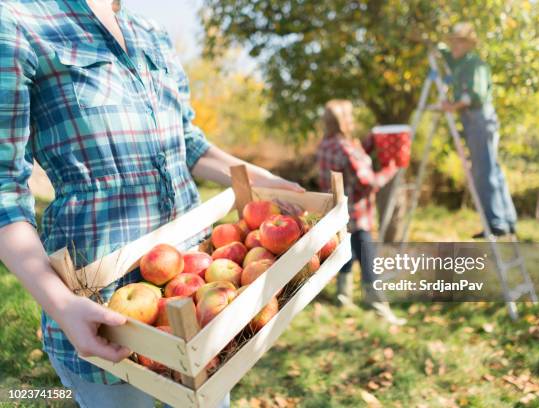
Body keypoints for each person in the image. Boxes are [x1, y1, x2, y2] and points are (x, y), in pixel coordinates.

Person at [0, 1, 302, 407]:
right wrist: (61, 305)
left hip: (199, 294)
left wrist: (268, 182)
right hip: (103, 315)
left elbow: (189, 144)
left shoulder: (150, 33)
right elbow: (4, 186)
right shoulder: (19, 23)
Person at [316, 100, 407, 326]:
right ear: (344, 122)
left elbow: (348, 162)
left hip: (336, 213)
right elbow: (367, 181)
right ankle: (379, 307)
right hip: (357, 213)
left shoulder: (325, 145)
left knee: (346, 251)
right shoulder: (346, 148)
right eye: (350, 117)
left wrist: (367, 145)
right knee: (368, 259)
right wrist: (390, 169)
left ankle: (342, 297)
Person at [439, 22, 518, 238]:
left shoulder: (475, 64)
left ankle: (495, 221)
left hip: (479, 119)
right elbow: (443, 53)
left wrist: (450, 107)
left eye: (458, 41)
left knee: (483, 170)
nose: (454, 45)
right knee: (493, 168)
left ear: (468, 44)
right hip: (475, 120)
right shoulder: (459, 62)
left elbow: (474, 95)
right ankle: (507, 219)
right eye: (452, 41)